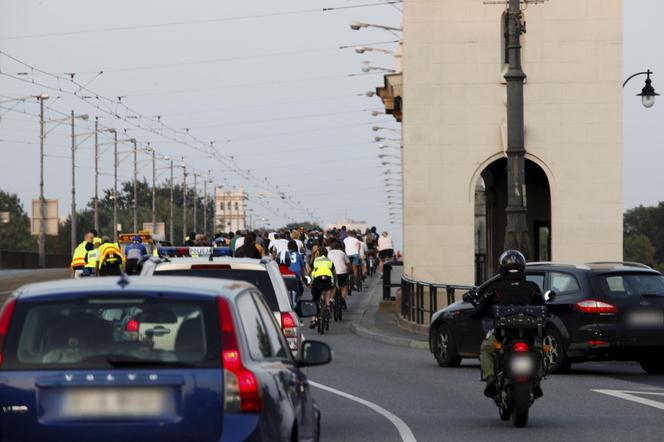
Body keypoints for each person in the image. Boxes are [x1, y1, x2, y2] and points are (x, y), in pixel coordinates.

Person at [471, 250, 546, 398]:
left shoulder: (494, 288)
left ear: (502, 268)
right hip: (528, 336)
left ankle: (491, 378)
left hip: (502, 336)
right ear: (523, 267)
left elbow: (481, 309)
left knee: (486, 349)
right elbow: (543, 307)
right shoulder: (533, 287)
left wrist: (476, 314)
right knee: (539, 350)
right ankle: (536, 381)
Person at [310, 246, 335, 328]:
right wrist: (334, 282)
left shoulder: (316, 260)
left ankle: (314, 319)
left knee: (315, 299)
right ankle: (327, 306)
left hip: (317, 280)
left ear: (318, 253)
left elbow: (311, 271)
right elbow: (333, 272)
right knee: (327, 292)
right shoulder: (330, 261)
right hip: (327, 279)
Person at [328, 240, 350, 306]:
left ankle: (330, 299)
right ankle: (342, 299)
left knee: (331, 286)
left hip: (331, 273)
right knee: (344, 285)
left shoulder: (328, 253)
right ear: (339, 247)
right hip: (342, 272)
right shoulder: (342, 253)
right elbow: (348, 263)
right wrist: (350, 270)